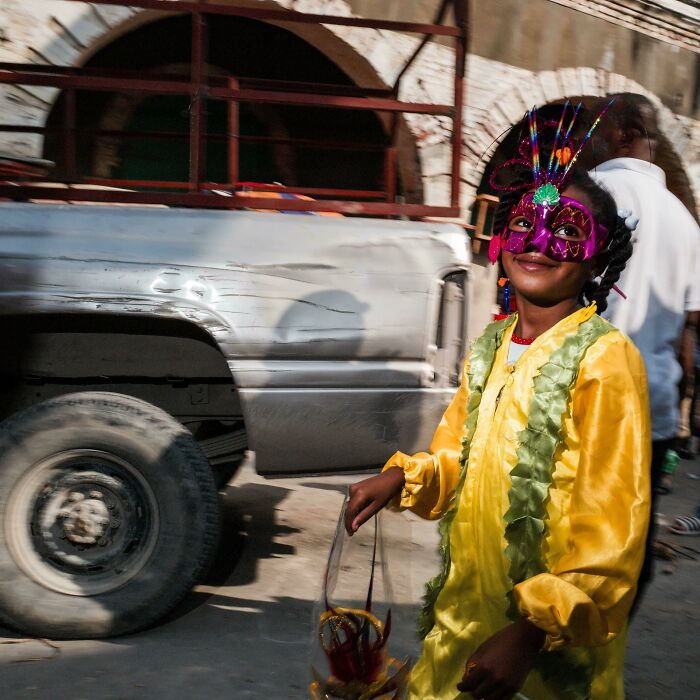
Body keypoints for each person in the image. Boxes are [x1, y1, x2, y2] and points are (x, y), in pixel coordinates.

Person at [344, 106, 650, 700]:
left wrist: (535, 630)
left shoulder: (606, 360)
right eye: (526, 223)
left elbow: (614, 527)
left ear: (598, 255)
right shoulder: (492, 343)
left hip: (541, 647)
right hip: (464, 620)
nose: (539, 243)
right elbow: (458, 457)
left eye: (565, 229)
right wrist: (405, 481)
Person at [586, 93, 700, 600]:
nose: (587, 143)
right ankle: (600, 661)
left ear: (621, 133)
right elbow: (688, 334)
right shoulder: (685, 222)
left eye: (594, 131)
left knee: (563, 538)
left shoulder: (589, 195)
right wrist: (680, 411)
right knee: (629, 548)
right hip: (650, 413)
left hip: (579, 402)